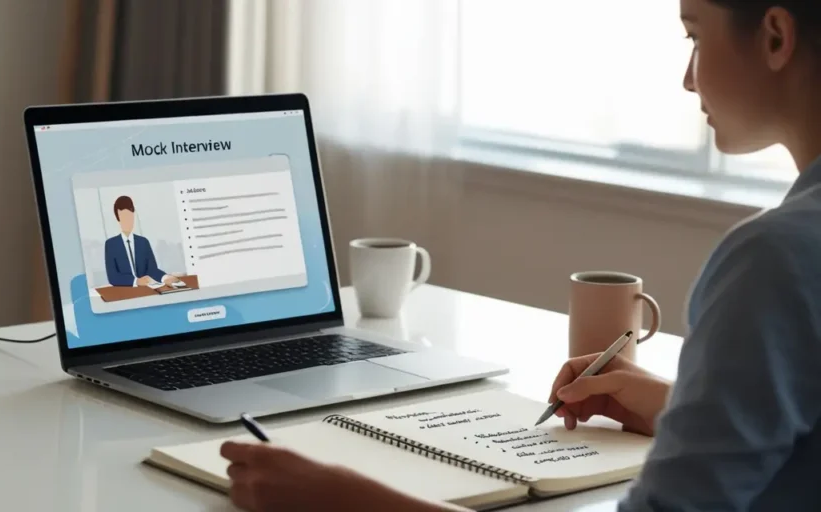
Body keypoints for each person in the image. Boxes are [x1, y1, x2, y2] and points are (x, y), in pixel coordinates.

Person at [218, 0, 821, 510]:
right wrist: (683, 407)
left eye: (695, 36)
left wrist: (347, 500)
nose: (688, 79)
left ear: (774, 36)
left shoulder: (772, 260)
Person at [104, 195, 178, 287]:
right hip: (125, 291)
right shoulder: (111, 244)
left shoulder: (143, 242)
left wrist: (165, 277)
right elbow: (113, 277)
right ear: (118, 218)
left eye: (130, 216)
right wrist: (137, 281)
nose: (128, 221)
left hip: (147, 289)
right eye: (124, 217)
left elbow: (152, 269)